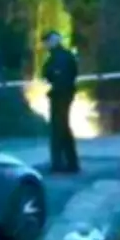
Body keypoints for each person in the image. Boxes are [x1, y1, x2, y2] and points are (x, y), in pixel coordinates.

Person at [41, 30, 80, 173]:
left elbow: (46, 73)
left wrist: (55, 80)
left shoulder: (58, 57)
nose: (46, 45)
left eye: (47, 42)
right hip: (64, 94)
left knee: (58, 129)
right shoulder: (65, 56)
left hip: (60, 95)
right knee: (63, 128)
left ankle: (58, 163)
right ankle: (71, 162)